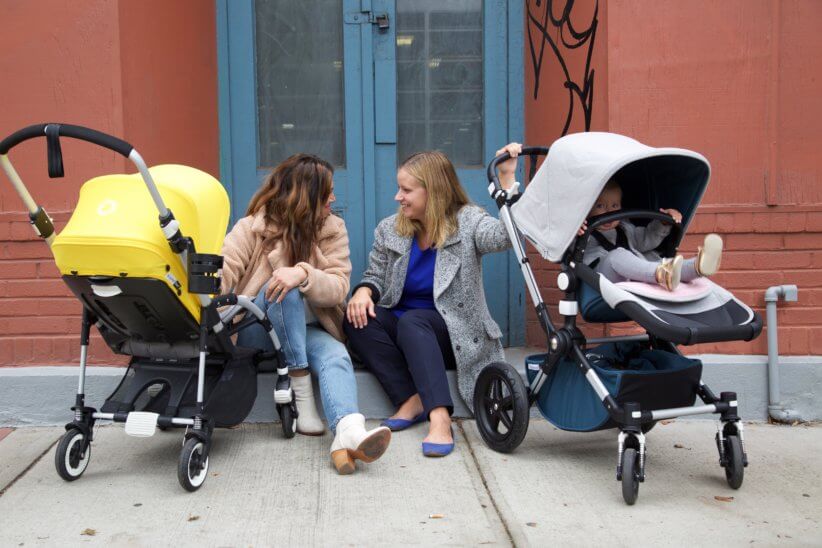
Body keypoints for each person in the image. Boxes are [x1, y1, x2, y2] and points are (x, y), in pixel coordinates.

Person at [344, 144, 522, 458]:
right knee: (357, 318)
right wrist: (363, 292)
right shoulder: (391, 229)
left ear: (433, 191)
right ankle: (411, 399)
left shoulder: (468, 223)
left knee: (414, 320)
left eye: (406, 190)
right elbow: (375, 274)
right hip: (405, 333)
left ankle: (439, 417)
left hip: (452, 336)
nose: (398, 197)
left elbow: (506, 237)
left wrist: (507, 179)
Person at [221, 153, 390, 474]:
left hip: (308, 330)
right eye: (328, 192)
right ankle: (300, 388)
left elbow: (340, 287)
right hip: (256, 329)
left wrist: (304, 273)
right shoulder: (252, 227)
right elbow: (226, 269)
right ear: (306, 196)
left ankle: (349, 433)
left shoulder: (332, 229)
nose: (334, 198)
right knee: (283, 286)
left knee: (337, 355)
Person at [579, 178, 723, 291]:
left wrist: (664, 222)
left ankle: (698, 266)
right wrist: (575, 229)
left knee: (654, 260)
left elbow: (647, 238)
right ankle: (661, 274)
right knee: (617, 255)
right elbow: (565, 244)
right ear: (587, 208)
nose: (609, 212)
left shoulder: (625, 228)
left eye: (615, 206)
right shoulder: (582, 231)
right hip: (601, 277)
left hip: (639, 273)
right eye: (600, 206)